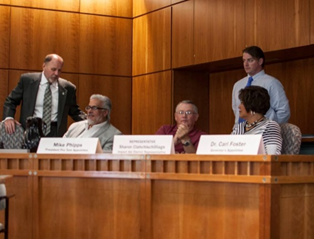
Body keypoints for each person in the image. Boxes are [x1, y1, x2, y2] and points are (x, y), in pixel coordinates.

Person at [3, 53, 85, 137]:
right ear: (44, 66)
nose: (56, 73)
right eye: (53, 69)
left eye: (59, 70)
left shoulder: (68, 88)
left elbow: (75, 111)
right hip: (31, 129)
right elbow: (11, 101)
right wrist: (9, 117)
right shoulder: (27, 81)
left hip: (55, 132)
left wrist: (91, 122)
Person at [232, 46, 290, 124]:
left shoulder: (272, 83)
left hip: (264, 132)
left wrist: (270, 128)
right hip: (240, 133)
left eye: (250, 60)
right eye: (244, 60)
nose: (246, 64)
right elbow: (236, 110)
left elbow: (283, 112)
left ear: (260, 61)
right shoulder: (237, 85)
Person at [231, 86, 282, 155]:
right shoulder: (240, 127)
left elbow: (272, 155)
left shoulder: (270, 126)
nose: (239, 106)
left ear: (252, 105)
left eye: (242, 103)